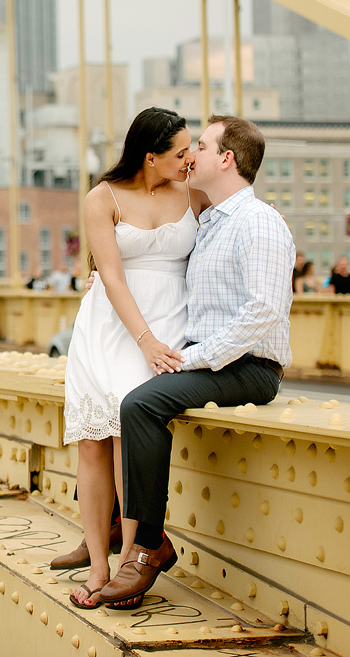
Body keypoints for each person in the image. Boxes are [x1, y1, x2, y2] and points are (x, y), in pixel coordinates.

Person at [98, 115, 295, 609]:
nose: (191, 155)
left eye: (201, 146)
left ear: (226, 159)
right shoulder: (208, 224)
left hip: (249, 367)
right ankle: (109, 529)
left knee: (141, 405)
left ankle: (146, 546)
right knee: (123, 396)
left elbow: (265, 309)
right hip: (214, 361)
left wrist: (197, 359)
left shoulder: (259, 221)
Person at [50, 107, 202, 611]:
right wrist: (145, 340)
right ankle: (98, 565)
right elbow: (111, 275)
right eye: (180, 152)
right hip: (112, 326)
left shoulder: (192, 192)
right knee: (93, 443)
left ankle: (130, 566)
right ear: (149, 156)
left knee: (126, 435)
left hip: (169, 321)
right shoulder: (103, 197)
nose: (189, 159)